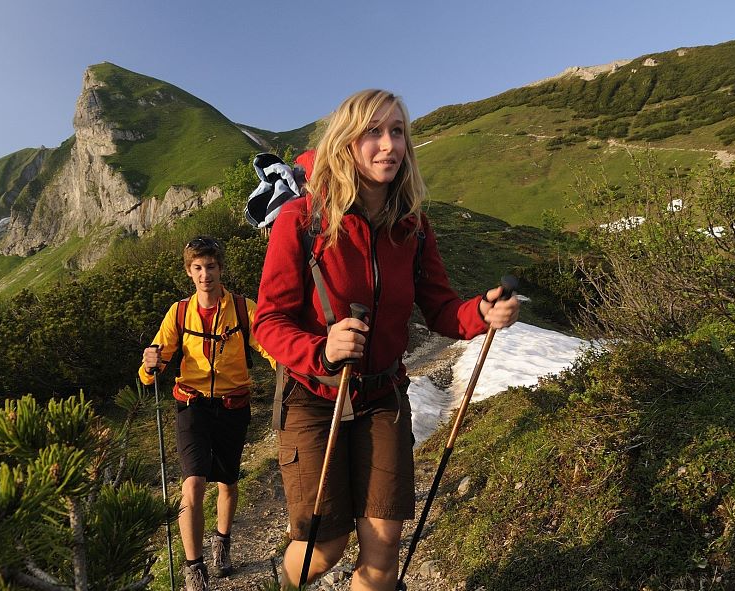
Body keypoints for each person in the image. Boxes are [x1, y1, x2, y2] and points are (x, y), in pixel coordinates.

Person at [252, 89, 519, 590]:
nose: (388, 144)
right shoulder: (302, 220)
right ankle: (279, 581)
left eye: (397, 131)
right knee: (323, 546)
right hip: (313, 398)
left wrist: (481, 312)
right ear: (346, 143)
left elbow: (441, 309)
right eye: (373, 132)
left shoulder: (413, 227)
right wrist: (321, 350)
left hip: (381, 397)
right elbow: (268, 320)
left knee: (383, 549)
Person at [140, 236, 275, 591]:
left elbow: (268, 345)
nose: (205, 275)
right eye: (197, 268)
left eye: (210, 267)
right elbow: (158, 356)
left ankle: (222, 542)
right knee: (194, 483)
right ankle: (193, 566)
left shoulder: (244, 309)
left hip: (234, 405)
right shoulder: (179, 312)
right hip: (192, 405)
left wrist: (288, 370)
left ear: (220, 268)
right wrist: (149, 366)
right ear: (189, 272)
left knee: (228, 482)